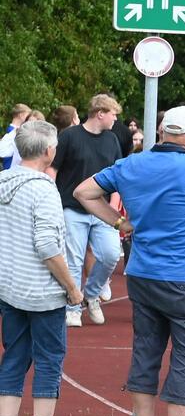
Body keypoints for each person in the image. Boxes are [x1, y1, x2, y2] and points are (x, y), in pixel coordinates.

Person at [73, 106, 185, 416]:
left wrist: (119, 222)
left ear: (161, 132)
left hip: (143, 273)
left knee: (146, 350)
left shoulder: (131, 164)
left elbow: (84, 192)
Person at [0, 121, 83, 416]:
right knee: (49, 355)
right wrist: (72, 288)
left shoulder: (2, 182)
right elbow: (48, 245)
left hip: (9, 284)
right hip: (43, 290)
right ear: (49, 151)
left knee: (15, 353)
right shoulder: (44, 190)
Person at [54, 94, 125, 328]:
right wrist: (53, 202)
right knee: (73, 260)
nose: (115, 118)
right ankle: (72, 308)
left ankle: (91, 294)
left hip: (102, 209)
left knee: (111, 254)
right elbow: (53, 170)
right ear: (100, 113)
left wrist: (114, 204)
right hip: (72, 208)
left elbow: (117, 176)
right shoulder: (69, 137)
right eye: (113, 113)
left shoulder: (112, 139)